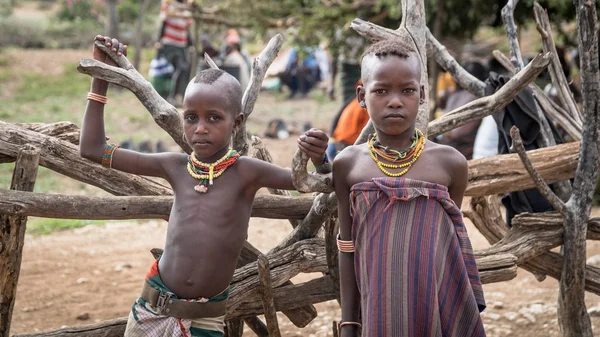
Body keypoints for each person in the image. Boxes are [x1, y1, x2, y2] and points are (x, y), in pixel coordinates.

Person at [80, 35, 329, 337]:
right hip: (150, 312)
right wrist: (101, 76)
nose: (200, 128)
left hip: (205, 322)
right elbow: (93, 149)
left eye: (214, 118)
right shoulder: (174, 166)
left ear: (236, 123)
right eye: (191, 117)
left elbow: (313, 183)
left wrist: (318, 157)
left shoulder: (246, 172)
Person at [332, 39, 486, 337]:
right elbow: (347, 248)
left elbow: (447, 248)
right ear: (362, 95)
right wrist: (349, 322)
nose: (395, 101)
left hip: (436, 309)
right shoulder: (347, 164)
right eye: (381, 90)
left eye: (407, 90)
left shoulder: (450, 164)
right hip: (379, 312)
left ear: (422, 95)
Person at [439, 61, 489, 159]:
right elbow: (457, 134)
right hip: (462, 153)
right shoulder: (479, 98)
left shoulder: (453, 95)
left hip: (447, 147)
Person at [156, 0, 193, 106]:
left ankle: (176, 96)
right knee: (179, 68)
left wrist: (190, 45)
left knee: (183, 69)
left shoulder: (187, 9)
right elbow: (163, 23)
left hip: (182, 45)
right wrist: (159, 41)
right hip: (169, 44)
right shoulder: (169, 5)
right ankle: (171, 96)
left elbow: (187, 30)